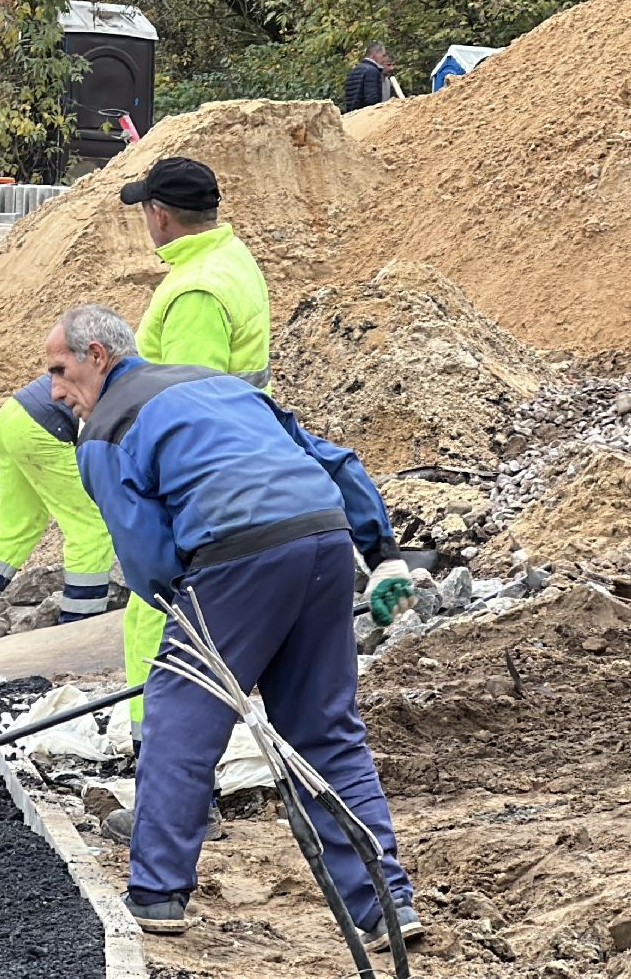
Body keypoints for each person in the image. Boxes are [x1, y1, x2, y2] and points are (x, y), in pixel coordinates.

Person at [44, 303, 420, 948]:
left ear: (98, 356)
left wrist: (187, 617)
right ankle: (384, 904)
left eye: (59, 369)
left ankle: (158, 895)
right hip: (325, 543)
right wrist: (383, 556)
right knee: (324, 730)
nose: (56, 390)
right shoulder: (219, 386)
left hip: (234, 558)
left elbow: (145, 556)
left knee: (181, 723)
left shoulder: (105, 431)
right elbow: (334, 461)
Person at [113, 156, 271, 727]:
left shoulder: (195, 291)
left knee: (154, 618)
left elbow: (185, 407)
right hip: (238, 457)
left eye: (145, 210)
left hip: (198, 478)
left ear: (159, 215)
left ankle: (155, 761)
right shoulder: (229, 259)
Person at [0, 376, 114, 644]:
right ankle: (78, 631)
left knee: (19, 525)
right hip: (45, 428)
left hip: (13, 415)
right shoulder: (142, 374)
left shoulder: (118, 357)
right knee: (91, 529)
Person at [343, 42, 396, 112]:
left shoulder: (355, 70)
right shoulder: (372, 71)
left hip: (352, 115)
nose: (383, 59)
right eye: (383, 55)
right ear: (375, 54)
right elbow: (372, 100)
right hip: (366, 115)